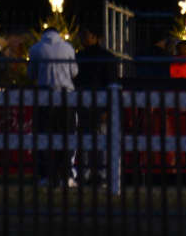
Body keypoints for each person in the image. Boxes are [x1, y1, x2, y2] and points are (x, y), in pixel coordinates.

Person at [27, 27, 78, 187]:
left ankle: (46, 175)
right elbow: (74, 72)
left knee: (44, 135)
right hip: (66, 96)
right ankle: (66, 174)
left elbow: (31, 74)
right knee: (67, 135)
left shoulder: (36, 49)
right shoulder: (68, 47)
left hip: (45, 97)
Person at [75, 28, 118, 186]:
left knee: (85, 139)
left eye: (84, 34)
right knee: (102, 140)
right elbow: (112, 82)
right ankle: (102, 174)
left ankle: (85, 173)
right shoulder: (108, 57)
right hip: (101, 102)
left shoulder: (79, 57)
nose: (81, 37)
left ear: (94, 36)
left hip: (85, 102)